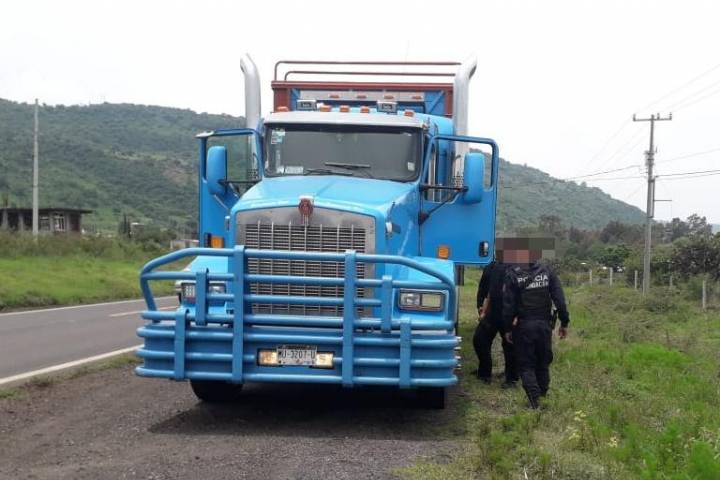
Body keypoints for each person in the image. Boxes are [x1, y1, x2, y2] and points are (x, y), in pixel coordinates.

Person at [502, 241, 569, 409]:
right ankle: (542, 396)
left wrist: (507, 328)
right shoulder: (547, 271)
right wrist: (564, 322)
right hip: (545, 326)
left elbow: (508, 305)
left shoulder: (513, 274)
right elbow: (560, 301)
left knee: (526, 365)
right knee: (542, 362)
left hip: (524, 326)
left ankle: (535, 401)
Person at [473, 256, 518, 387]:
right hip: (493, 312)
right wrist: (481, 307)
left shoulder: (519, 268)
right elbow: (487, 291)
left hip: (510, 313)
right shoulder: (492, 267)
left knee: (510, 346)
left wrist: (518, 315)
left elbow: (523, 293)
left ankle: (511, 378)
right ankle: (484, 373)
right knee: (479, 339)